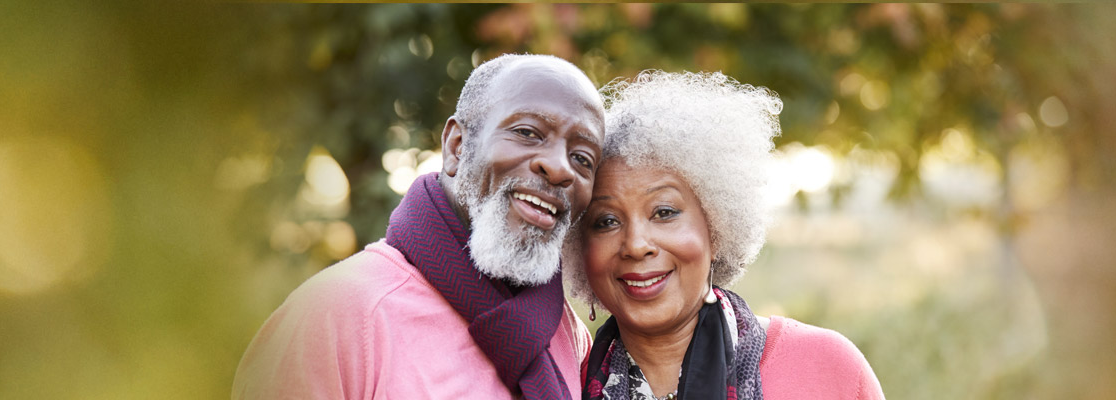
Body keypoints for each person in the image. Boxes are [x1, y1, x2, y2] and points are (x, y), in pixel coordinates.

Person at [233, 54, 604, 400]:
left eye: (582, 158)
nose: (559, 168)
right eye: (527, 132)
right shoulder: (332, 316)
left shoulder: (569, 337)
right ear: (457, 147)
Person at [567, 71, 884, 400]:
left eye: (664, 212)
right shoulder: (559, 387)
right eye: (605, 221)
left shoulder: (826, 368)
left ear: (715, 229)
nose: (635, 245)